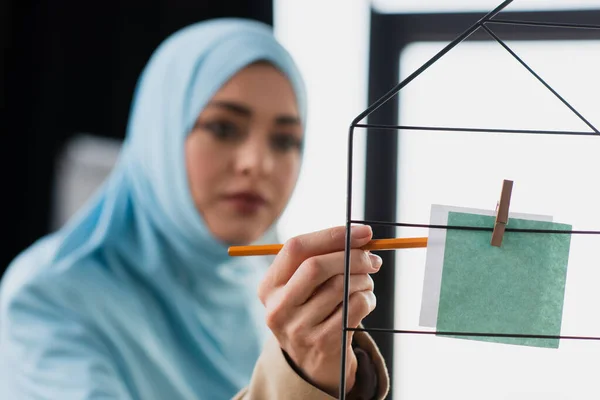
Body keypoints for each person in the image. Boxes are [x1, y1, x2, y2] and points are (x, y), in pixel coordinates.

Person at [0, 18, 389, 399]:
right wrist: (295, 381)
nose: (258, 163)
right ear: (160, 134)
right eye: (223, 128)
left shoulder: (270, 282)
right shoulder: (47, 297)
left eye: (285, 140)